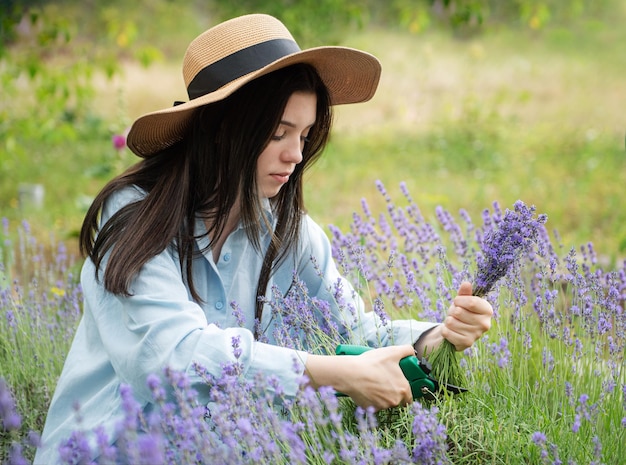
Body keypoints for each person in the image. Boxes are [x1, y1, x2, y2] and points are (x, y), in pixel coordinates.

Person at [35, 13, 493, 463]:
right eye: (278, 133)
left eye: (305, 134)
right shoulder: (137, 218)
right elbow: (172, 356)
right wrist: (330, 373)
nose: (295, 154)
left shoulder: (290, 233)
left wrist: (437, 336)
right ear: (220, 129)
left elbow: (352, 330)